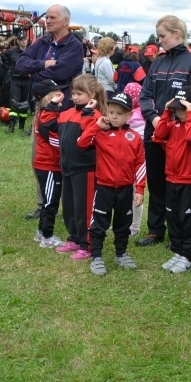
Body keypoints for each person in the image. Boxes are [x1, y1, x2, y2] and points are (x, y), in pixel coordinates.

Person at [137, 15, 191, 248]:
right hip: (155, 131)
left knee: (176, 184)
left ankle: (178, 232)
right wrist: (155, 119)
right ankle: (156, 229)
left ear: (177, 34)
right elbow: (144, 94)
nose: (160, 40)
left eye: (163, 36)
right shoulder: (158, 62)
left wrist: (174, 121)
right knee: (155, 180)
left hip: (177, 136)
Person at [16, 4, 85, 218]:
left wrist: (35, 73)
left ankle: (69, 207)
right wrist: (45, 64)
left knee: (63, 157)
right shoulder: (43, 42)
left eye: (53, 17)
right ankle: (44, 204)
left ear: (66, 21)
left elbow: (63, 72)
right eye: (47, 17)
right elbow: (20, 64)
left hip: (66, 111)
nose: (48, 21)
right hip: (42, 109)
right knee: (40, 155)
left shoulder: (74, 46)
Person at [78, 92, 146, 276]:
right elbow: (82, 142)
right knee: (99, 223)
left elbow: (140, 163)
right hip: (104, 188)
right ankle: (97, 256)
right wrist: (96, 126)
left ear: (129, 115)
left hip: (125, 189)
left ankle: (121, 253)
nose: (114, 117)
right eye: (111, 112)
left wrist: (139, 189)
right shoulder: (100, 134)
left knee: (123, 224)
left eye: (119, 113)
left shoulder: (135, 137)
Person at [154, 86, 191, 274]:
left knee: (187, 218)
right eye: (176, 108)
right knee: (173, 216)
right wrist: (166, 113)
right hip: (171, 178)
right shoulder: (173, 124)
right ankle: (177, 250)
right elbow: (159, 135)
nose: (179, 112)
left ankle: (188, 254)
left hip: (189, 181)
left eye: (182, 109)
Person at [53, 73, 106, 260]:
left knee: (84, 208)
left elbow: (90, 137)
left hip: (85, 169)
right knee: (69, 206)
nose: (74, 97)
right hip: (67, 167)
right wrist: (51, 106)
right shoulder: (66, 113)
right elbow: (49, 128)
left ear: (92, 95)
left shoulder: (96, 116)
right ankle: (74, 238)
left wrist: (89, 113)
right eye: (73, 93)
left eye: (79, 94)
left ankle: (87, 244)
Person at [30, 79, 66, 248]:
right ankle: (47, 235)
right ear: (47, 99)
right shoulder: (46, 116)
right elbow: (55, 140)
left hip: (50, 165)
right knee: (51, 202)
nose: (61, 97)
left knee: (48, 200)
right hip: (49, 165)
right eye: (56, 95)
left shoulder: (49, 114)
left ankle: (40, 232)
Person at [123, 82, 145, 236]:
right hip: (139, 162)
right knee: (132, 193)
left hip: (133, 162)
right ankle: (128, 223)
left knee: (133, 194)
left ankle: (134, 226)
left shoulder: (129, 117)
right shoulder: (147, 113)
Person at [3, 34, 32, 134]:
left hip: (27, 80)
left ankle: (22, 127)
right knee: (14, 102)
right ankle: (11, 127)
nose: (23, 42)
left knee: (24, 103)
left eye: (25, 39)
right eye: (21, 40)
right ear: (18, 41)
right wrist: (11, 69)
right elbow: (3, 59)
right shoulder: (12, 51)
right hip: (15, 80)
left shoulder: (31, 51)